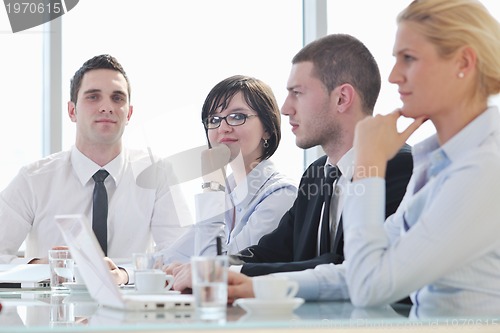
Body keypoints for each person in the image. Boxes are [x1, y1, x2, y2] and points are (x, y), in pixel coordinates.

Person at [228, 0, 500, 315]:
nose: (394, 76)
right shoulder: (439, 165)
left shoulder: (484, 169)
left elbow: (371, 284)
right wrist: (254, 286)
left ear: (463, 63)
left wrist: (368, 166)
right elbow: (355, 270)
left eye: (408, 59)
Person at [170, 34, 413, 292]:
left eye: (297, 93)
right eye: (214, 120)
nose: (285, 109)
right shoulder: (317, 174)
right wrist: (211, 270)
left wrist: (219, 271)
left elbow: (347, 268)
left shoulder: (399, 167)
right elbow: (275, 250)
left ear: (342, 98)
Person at [0, 55, 189, 271]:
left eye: (117, 98)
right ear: (72, 111)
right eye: (93, 97)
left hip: (130, 303)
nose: (106, 107)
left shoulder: (157, 174)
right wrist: (50, 267)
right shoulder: (32, 179)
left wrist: (126, 274)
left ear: (129, 113)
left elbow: (180, 258)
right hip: (55, 303)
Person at [111, 75, 298, 285]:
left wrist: (212, 187)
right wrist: (124, 274)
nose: (223, 128)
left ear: (268, 128)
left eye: (237, 116)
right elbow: (174, 255)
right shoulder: (228, 189)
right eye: (214, 119)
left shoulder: (281, 194)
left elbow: (217, 273)